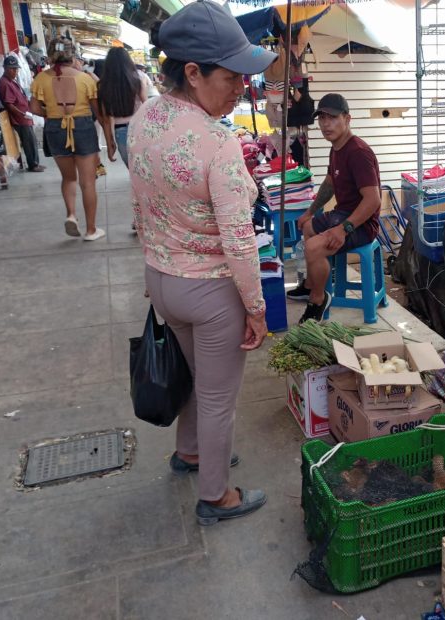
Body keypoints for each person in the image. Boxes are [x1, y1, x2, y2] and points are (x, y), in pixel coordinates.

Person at [130, 0, 278, 526]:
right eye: (231, 76)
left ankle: (191, 453)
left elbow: (141, 202)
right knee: (219, 397)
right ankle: (217, 495)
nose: (241, 86)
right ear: (192, 73)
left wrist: (154, 264)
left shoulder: (145, 115)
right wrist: (256, 310)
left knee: (197, 379)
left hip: (162, 279)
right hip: (212, 293)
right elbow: (240, 241)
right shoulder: (217, 142)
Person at [287, 93, 381, 324]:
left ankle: (318, 300)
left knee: (313, 247)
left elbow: (373, 201)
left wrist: (343, 229)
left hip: (362, 224)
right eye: (322, 118)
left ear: (347, 119)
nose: (325, 124)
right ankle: (311, 285)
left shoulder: (358, 152)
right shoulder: (337, 147)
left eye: (332, 117)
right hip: (343, 214)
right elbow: (330, 183)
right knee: (307, 226)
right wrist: (310, 211)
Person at [29, 37, 105, 241]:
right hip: (83, 126)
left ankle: (71, 215)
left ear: (52, 55)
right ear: (72, 55)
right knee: (88, 182)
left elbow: (34, 108)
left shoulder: (41, 79)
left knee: (69, 178)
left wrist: (51, 115)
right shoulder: (85, 78)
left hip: (55, 127)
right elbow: (99, 112)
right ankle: (91, 230)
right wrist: (109, 137)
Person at [98, 47, 147, 167]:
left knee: (131, 168)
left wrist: (110, 144)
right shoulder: (138, 80)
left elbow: (106, 119)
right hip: (140, 127)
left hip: (120, 132)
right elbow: (146, 105)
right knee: (146, 167)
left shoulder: (103, 85)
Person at [0, 55, 45, 173]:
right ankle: (33, 165)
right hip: (20, 118)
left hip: (25, 116)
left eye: (16, 69)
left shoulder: (12, 80)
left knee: (32, 140)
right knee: (28, 142)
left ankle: (35, 163)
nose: (15, 71)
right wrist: (22, 115)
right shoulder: (4, 83)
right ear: (5, 68)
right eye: (11, 69)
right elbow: (9, 104)